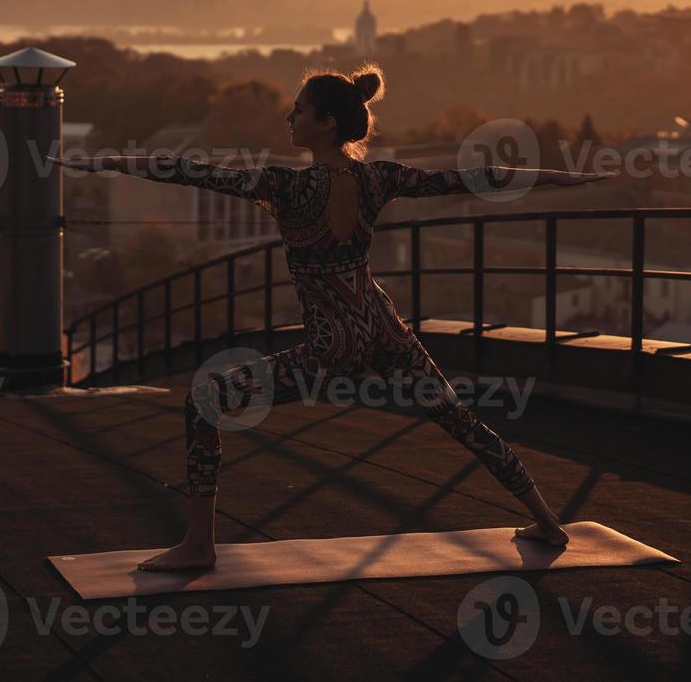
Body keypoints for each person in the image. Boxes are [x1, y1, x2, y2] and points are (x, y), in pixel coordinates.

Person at [51, 64, 618, 571]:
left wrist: (99, 163)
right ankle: (546, 519)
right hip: (383, 326)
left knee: (205, 403)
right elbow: (471, 177)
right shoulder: (378, 178)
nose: (288, 117)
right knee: (459, 420)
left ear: (324, 124)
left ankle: (199, 544)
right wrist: (557, 177)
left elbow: (188, 171)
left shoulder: (287, 186)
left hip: (333, 343)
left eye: (298, 109)